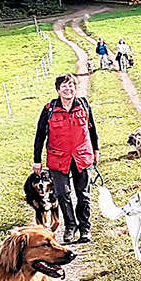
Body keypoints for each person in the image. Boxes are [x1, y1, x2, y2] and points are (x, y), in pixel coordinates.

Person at [33, 73, 100, 244]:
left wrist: (96, 150)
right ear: (58, 89)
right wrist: (37, 159)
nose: (68, 89)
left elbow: (92, 130)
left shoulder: (84, 105)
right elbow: (40, 134)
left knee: (83, 194)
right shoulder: (49, 109)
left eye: (71, 85)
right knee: (63, 193)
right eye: (64, 86)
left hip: (82, 156)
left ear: (75, 88)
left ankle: (85, 228)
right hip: (58, 158)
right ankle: (70, 226)